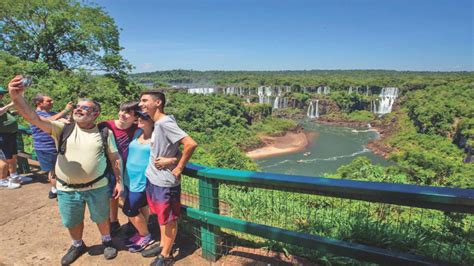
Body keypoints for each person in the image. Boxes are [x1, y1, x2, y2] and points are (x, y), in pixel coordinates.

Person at [8, 76, 123, 265]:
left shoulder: (104, 132)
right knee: (72, 220)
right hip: (67, 188)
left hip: (98, 186)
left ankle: (107, 241)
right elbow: (33, 118)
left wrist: (119, 181)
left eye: (85, 107)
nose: (78, 109)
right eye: (78, 106)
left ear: (96, 114)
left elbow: (114, 157)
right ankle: (77, 244)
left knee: (102, 217)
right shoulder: (62, 128)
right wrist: (16, 96)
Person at [139, 90, 197, 266]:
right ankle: (164, 245)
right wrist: (173, 158)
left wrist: (178, 167)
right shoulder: (158, 123)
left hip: (165, 182)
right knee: (161, 217)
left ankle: (166, 256)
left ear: (158, 103)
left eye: (144, 101)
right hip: (154, 178)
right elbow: (176, 148)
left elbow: (191, 143)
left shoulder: (164, 123)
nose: (140, 104)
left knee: (169, 219)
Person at [122, 111, 177, 253]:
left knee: (129, 209)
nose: (140, 119)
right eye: (139, 117)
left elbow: (176, 152)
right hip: (129, 178)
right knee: (140, 208)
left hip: (143, 180)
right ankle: (141, 231)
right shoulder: (137, 133)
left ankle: (145, 236)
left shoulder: (157, 138)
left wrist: (172, 160)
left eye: (145, 117)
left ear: (152, 121)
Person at [99, 101, 139, 235]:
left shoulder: (137, 129)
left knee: (129, 195)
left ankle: (131, 221)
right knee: (113, 195)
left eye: (128, 113)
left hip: (129, 168)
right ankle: (113, 221)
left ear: (135, 117)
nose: (123, 114)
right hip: (109, 167)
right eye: (122, 110)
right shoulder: (106, 125)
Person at [31, 93, 74, 198]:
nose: (52, 102)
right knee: (53, 170)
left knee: (60, 169)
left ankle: (54, 190)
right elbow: (50, 120)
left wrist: (72, 112)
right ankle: (58, 192)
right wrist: (65, 110)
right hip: (46, 147)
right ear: (39, 103)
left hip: (57, 145)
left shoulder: (53, 113)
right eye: (48, 101)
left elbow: (68, 121)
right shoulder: (35, 115)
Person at [0, 86, 21, 189]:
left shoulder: (2, 104)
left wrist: (15, 112)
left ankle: (14, 177)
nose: (2, 96)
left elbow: (5, 113)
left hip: (10, 134)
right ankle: (2, 180)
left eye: (2, 94)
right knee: (4, 158)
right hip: (2, 135)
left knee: (13, 156)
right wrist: (12, 103)